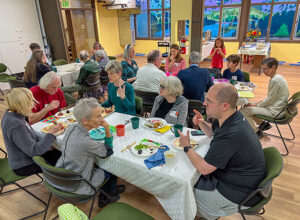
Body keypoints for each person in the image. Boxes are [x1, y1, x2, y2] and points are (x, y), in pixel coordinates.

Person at [178, 84, 266, 220]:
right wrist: (201, 123)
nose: (204, 103)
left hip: (240, 191)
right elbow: (213, 133)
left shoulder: (232, 133)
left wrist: (186, 147)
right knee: (190, 181)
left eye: (209, 101)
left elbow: (204, 168)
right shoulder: (229, 117)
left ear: (224, 106)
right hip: (242, 178)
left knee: (184, 196)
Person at [56, 98, 125, 207]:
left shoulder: (72, 127)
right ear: (85, 121)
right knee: (109, 166)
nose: (101, 118)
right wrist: (107, 128)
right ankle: (106, 195)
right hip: (78, 183)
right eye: (98, 116)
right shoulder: (85, 142)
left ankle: (113, 188)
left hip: (63, 175)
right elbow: (107, 151)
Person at [1, 88, 62, 176]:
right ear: (21, 105)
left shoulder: (12, 114)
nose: (33, 104)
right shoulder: (15, 124)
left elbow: (27, 142)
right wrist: (51, 133)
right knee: (63, 158)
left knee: (58, 151)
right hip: (24, 165)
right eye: (30, 102)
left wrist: (45, 145)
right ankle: (60, 184)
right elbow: (34, 151)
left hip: (27, 156)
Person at [240, 57, 289, 138]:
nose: (263, 72)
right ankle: (263, 124)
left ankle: (256, 132)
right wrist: (255, 104)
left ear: (273, 67)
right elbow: (270, 99)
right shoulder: (278, 77)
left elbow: (269, 99)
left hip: (276, 111)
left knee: (243, 111)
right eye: (262, 69)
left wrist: (255, 105)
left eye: (265, 69)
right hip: (279, 108)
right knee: (250, 106)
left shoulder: (274, 80)